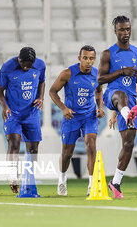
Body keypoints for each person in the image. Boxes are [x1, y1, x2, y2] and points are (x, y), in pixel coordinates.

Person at [98, 15, 137, 198]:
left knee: (129, 144)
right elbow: (100, 79)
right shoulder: (108, 53)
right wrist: (122, 71)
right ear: (115, 31)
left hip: (130, 101)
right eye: (122, 29)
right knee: (121, 95)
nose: (126, 32)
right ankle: (126, 113)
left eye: (128, 29)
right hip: (113, 95)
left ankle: (115, 182)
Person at [49, 45, 105, 196]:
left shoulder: (97, 74)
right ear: (79, 58)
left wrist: (100, 107)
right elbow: (52, 91)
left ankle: (91, 184)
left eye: (91, 58)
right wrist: (63, 108)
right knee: (67, 152)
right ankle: (62, 180)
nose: (88, 61)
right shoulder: (67, 73)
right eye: (85, 58)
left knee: (91, 145)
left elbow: (99, 91)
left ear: (94, 59)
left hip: (89, 116)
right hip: (72, 117)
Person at [0, 47, 46, 193]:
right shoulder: (7, 68)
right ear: (19, 58)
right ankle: (12, 177)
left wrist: (41, 97)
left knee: (33, 148)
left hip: (32, 113)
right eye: (23, 63)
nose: (25, 67)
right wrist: (4, 106)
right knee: (14, 143)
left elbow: (42, 81)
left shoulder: (40, 65)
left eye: (28, 65)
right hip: (13, 112)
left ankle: (29, 178)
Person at [109, 84, 137, 192]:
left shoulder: (135, 86)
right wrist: (114, 115)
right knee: (128, 145)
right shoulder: (123, 84)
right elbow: (120, 101)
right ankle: (117, 180)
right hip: (130, 114)